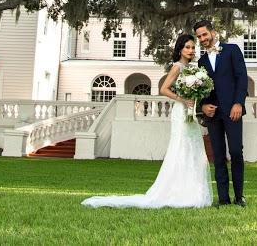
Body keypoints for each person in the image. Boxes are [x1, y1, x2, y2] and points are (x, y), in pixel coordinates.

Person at [81, 33, 211, 209]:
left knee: (193, 147)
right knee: (181, 146)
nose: (191, 50)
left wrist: (195, 96)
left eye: (193, 47)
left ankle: (192, 191)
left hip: (190, 111)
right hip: (181, 112)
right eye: (187, 47)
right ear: (180, 49)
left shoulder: (194, 69)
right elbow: (164, 89)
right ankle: (176, 192)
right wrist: (182, 99)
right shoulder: (177, 67)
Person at [195, 19, 247, 207]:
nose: (202, 39)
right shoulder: (200, 62)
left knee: (235, 152)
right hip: (213, 115)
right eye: (199, 36)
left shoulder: (232, 50)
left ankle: (239, 196)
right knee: (218, 156)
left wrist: (238, 103)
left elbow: (242, 78)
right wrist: (203, 106)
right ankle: (223, 199)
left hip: (233, 111)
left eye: (204, 34)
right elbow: (199, 90)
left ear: (213, 33)